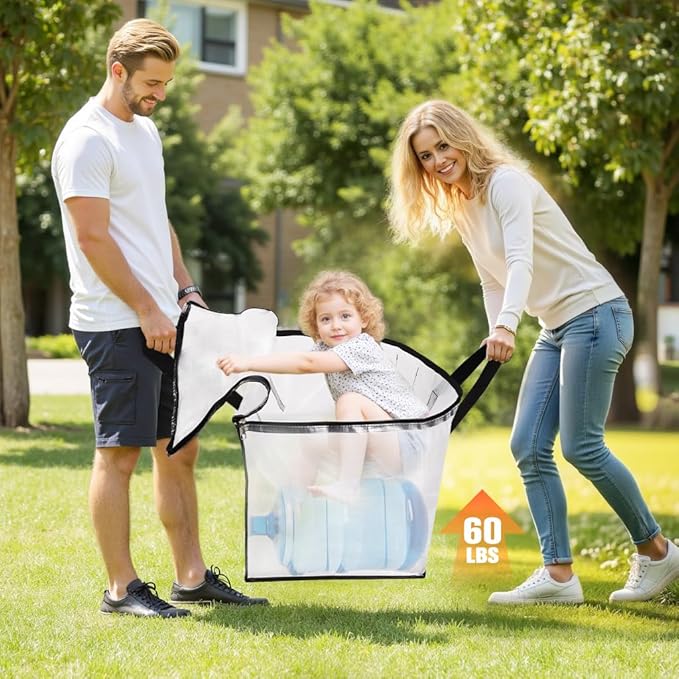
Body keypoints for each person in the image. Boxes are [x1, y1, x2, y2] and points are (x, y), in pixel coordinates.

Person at [388, 99, 679, 604]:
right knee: (527, 444)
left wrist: (508, 324)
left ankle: (657, 552)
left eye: (443, 146)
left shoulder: (506, 183)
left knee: (581, 446)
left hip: (595, 313)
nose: (438, 161)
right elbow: (492, 279)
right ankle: (558, 576)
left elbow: (520, 260)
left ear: (463, 138)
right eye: (426, 156)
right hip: (556, 325)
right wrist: (495, 330)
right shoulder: (461, 206)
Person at [51, 18, 267, 617]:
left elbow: (155, 220)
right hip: (115, 322)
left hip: (165, 317)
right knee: (119, 453)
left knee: (179, 449)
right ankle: (121, 588)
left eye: (166, 84)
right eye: (151, 83)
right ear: (117, 70)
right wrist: (146, 307)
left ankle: (191, 578)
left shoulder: (145, 132)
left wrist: (183, 287)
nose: (160, 95)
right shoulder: (86, 139)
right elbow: (92, 238)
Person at [216, 270, 429, 501]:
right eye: (326, 319)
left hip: (406, 439)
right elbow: (294, 360)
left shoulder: (362, 346)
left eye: (345, 316)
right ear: (316, 326)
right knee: (312, 441)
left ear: (364, 319)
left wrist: (248, 363)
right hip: (377, 436)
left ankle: (348, 486)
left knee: (349, 400)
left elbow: (305, 364)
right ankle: (292, 506)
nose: (336, 325)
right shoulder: (325, 349)